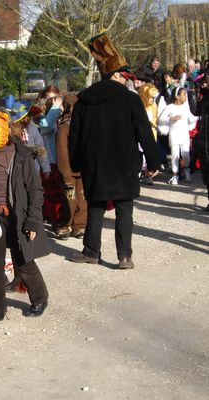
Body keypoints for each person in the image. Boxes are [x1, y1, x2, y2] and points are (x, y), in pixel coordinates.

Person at [68, 33, 160, 270]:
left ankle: (91, 252)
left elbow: (74, 136)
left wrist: (76, 163)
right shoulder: (130, 100)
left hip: (95, 165)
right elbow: (144, 133)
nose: (128, 80)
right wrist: (153, 162)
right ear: (116, 74)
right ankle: (124, 257)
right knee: (124, 211)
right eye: (125, 75)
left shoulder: (83, 101)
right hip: (124, 164)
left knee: (96, 209)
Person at [0, 104, 50, 325]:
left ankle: (40, 299)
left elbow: (35, 190)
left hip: (17, 216)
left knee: (23, 260)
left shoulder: (21, 155)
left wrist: (33, 221)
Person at [54, 94, 87, 239]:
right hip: (72, 170)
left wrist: (64, 171)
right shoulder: (80, 125)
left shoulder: (65, 127)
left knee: (79, 198)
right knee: (72, 197)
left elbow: (61, 152)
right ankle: (70, 224)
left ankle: (75, 225)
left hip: (72, 170)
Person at [159, 87, 199, 184]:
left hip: (184, 134)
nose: (186, 96)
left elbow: (192, 118)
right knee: (175, 155)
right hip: (174, 134)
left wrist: (201, 116)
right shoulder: (170, 107)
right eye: (184, 94)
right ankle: (175, 174)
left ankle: (186, 170)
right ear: (177, 96)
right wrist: (171, 118)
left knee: (186, 155)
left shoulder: (185, 108)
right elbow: (161, 119)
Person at [193, 74, 209, 210]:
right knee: (206, 170)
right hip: (204, 138)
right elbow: (195, 111)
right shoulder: (205, 96)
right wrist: (195, 94)